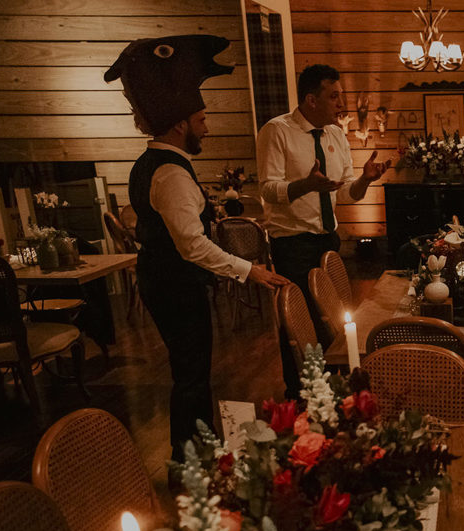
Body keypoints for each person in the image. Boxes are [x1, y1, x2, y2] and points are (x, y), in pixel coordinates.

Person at [105, 35, 289, 461]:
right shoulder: (171, 174)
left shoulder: (149, 163)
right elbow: (192, 246)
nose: (207, 127)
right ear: (180, 125)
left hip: (162, 279)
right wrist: (250, 270)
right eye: (201, 119)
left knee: (190, 370)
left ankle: (196, 452)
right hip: (175, 285)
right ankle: (189, 458)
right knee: (191, 374)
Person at [257, 63, 390, 396]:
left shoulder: (335, 134)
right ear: (311, 99)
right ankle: (301, 395)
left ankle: (337, 392)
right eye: (333, 97)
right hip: (293, 244)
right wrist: (305, 185)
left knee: (333, 320)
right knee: (299, 324)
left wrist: (365, 180)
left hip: (328, 240)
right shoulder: (277, 131)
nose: (341, 104)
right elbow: (268, 189)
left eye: (340, 96)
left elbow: (343, 193)